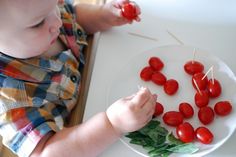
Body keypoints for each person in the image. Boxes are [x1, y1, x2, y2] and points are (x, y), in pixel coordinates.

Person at [0, 0, 157, 157]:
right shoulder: (9, 100)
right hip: (76, 131)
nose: (58, 19)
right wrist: (112, 125)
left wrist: (102, 15)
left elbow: (73, 14)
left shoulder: (39, 10)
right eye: (38, 23)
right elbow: (47, 153)